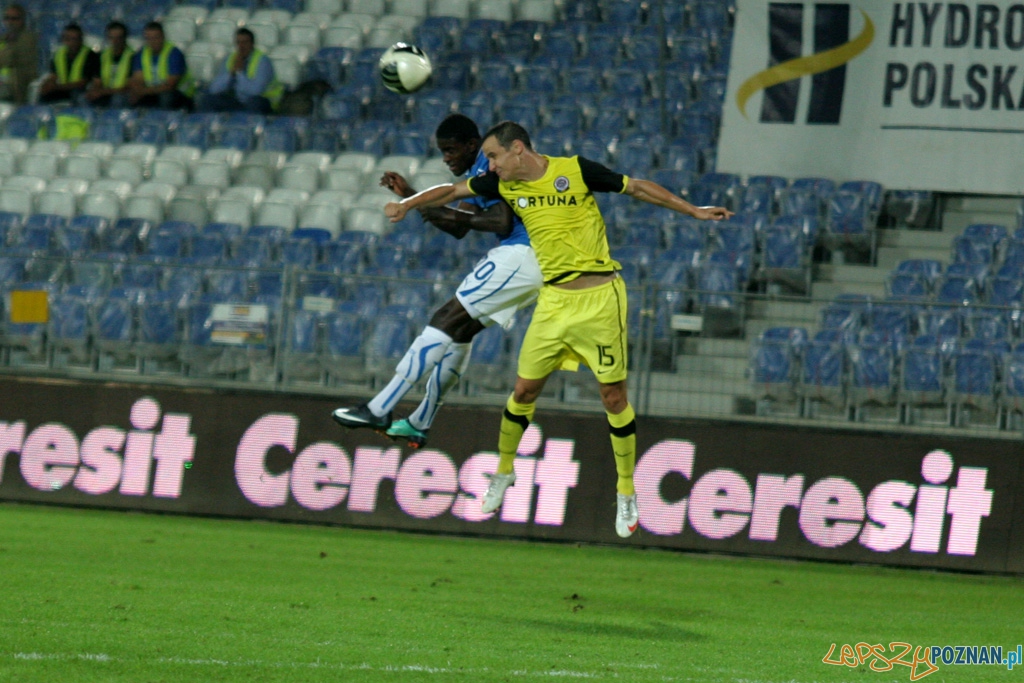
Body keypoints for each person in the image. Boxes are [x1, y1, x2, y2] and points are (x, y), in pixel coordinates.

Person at [383, 121, 733, 537]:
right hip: (552, 303)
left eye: (493, 156)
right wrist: (409, 204)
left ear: (517, 149)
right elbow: (451, 191)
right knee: (523, 392)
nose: (489, 166)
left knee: (613, 396)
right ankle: (503, 472)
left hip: (601, 301)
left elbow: (636, 187)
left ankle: (625, 492)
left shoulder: (575, 171)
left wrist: (693, 210)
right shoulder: (503, 185)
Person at [331, 113, 542, 449]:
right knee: (460, 331)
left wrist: (440, 209)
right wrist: (415, 198)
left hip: (522, 252)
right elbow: (458, 226)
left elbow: (501, 221)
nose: (446, 158)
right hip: (530, 261)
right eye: (442, 152)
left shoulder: (489, 169)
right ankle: (419, 422)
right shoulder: (480, 171)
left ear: (472, 146)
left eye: (450, 150)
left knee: (444, 319)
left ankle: (380, 407)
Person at [198, 28, 282, 114]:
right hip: (236, 100)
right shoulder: (230, 59)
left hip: (260, 101)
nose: (241, 46)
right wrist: (231, 74)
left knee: (255, 102)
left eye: (245, 42)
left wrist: (239, 73)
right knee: (208, 99)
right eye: (238, 42)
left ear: (252, 44)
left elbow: (255, 91)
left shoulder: (263, 61)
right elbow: (214, 89)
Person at [127, 21, 194, 110]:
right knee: (131, 97)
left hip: (180, 93)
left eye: (156, 38)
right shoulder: (141, 54)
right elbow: (137, 79)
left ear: (163, 37)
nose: (153, 42)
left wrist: (144, 91)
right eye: (149, 38)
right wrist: (139, 91)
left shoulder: (174, 53)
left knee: (166, 97)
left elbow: (170, 85)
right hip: (152, 92)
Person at [39, 23, 100, 104]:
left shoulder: (90, 55)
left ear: (81, 40)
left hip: (82, 90)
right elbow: (53, 75)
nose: (71, 42)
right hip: (63, 88)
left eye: (75, 39)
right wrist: (48, 84)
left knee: (78, 95)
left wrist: (57, 87)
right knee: (44, 94)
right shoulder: (59, 54)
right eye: (68, 39)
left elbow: (83, 82)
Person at [85, 21, 134, 108]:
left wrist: (103, 92)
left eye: (119, 38)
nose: (115, 41)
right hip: (106, 92)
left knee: (117, 99)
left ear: (125, 38)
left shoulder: (132, 57)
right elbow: (97, 81)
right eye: (112, 38)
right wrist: (95, 91)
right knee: (84, 98)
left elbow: (129, 87)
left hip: (122, 94)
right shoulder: (102, 56)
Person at [0, 4, 37, 104]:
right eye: (7, 18)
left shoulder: (28, 39)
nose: (10, 22)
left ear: (22, 20)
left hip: (17, 79)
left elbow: (9, 59)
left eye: (14, 19)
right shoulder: (3, 38)